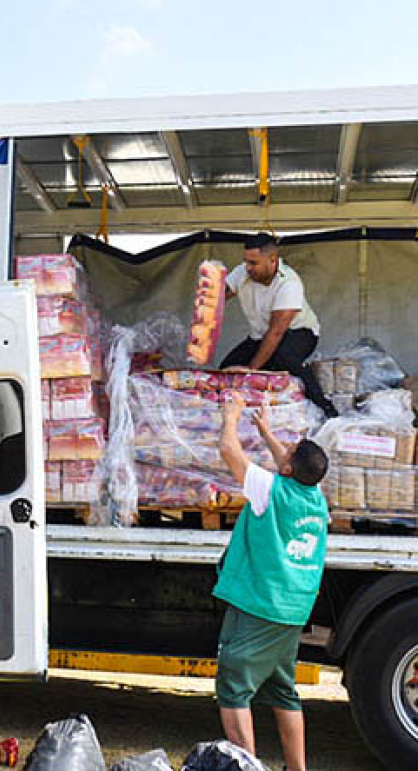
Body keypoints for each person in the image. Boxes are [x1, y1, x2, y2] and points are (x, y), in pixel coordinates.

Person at [213, 393, 329, 771]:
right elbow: (290, 465)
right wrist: (265, 431)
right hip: (294, 608)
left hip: (262, 603)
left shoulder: (270, 492)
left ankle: (247, 766)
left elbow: (229, 451)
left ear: (290, 470)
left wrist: (231, 416)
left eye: (290, 452)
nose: (285, 454)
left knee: (233, 686)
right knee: (283, 692)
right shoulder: (315, 499)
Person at [221, 233, 337, 417]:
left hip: (300, 333)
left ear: (272, 260)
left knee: (283, 357)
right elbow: (220, 295)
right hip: (260, 336)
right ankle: (243, 411)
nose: (248, 268)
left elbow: (276, 333)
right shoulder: (242, 272)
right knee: (227, 368)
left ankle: (324, 407)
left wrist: (252, 370)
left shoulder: (289, 284)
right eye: (246, 261)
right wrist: (209, 292)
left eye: (254, 263)